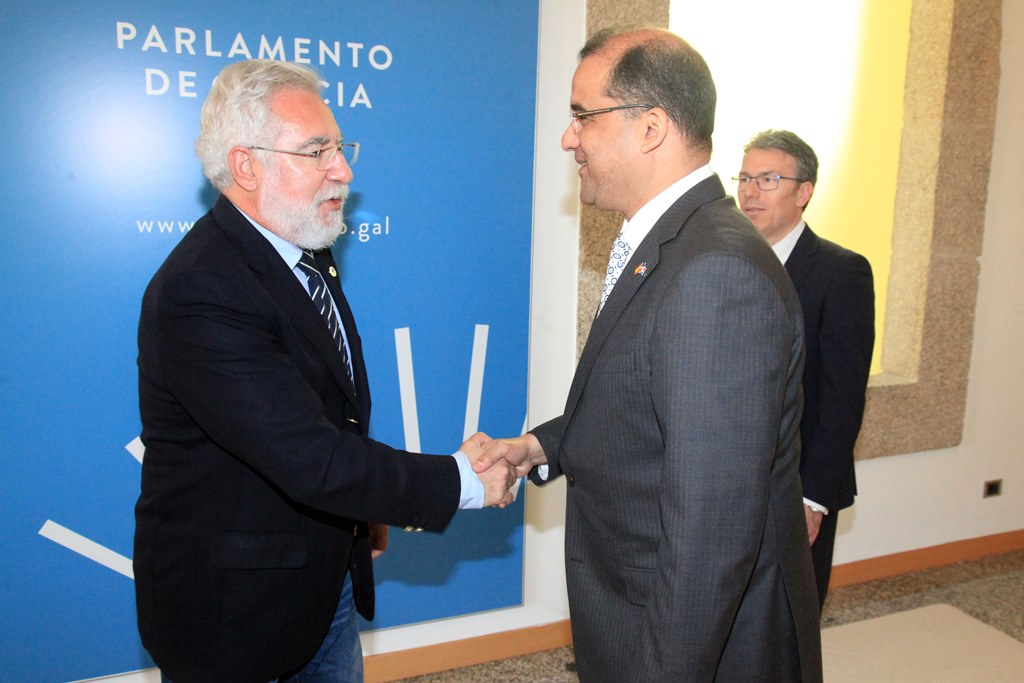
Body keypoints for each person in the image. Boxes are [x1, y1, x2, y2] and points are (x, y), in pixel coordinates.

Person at [133, 59, 516, 683]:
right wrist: (461, 481)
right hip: (236, 615)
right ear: (246, 164)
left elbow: (325, 408)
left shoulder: (303, 249)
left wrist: (365, 511)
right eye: (317, 151)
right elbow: (306, 455)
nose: (343, 170)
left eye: (340, 147)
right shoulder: (201, 289)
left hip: (323, 582)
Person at [474, 28, 822, 682]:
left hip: (690, 644)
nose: (567, 138)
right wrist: (538, 447)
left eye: (582, 116)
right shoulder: (669, 242)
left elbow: (710, 537)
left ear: (651, 127)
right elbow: (636, 401)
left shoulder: (714, 273)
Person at [736, 130, 875, 609]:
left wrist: (813, 498)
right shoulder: (726, 260)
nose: (750, 191)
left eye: (768, 179)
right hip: (729, 477)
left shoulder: (842, 272)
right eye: (745, 178)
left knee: (788, 624)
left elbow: (842, 396)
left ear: (804, 191)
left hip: (797, 485)